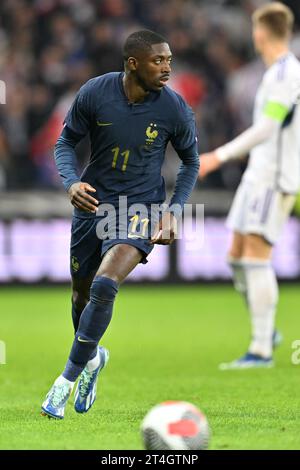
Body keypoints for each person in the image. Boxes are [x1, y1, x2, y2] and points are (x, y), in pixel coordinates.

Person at [41, 30, 199, 419]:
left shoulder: (174, 108)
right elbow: (64, 143)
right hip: (92, 205)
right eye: (158, 61)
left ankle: (63, 382)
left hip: (139, 209)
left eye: (169, 60)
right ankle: (93, 360)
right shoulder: (96, 92)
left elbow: (190, 162)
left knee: (105, 283)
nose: (167, 68)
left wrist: (173, 211)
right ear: (132, 64)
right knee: (80, 297)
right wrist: (71, 182)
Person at [199, 2, 300, 369]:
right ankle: (266, 326)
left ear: (260, 33)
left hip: (273, 178)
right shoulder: (274, 72)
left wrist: (219, 156)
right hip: (258, 174)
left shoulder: (287, 73)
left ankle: (261, 349)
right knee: (236, 256)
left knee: (256, 257)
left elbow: (268, 128)